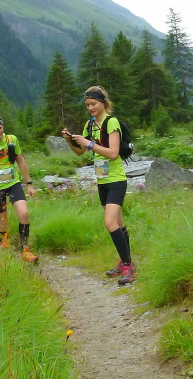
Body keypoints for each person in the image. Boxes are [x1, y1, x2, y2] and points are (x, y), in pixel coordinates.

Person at [62, 86, 135, 285]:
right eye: (87, 105)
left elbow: (113, 153)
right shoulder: (90, 124)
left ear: (103, 102)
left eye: (93, 104)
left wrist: (89, 143)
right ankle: (125, 262)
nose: (90, 108)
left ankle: (128, 267)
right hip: (102, 181)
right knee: (118, 224)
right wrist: (70, 141)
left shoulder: (111, 123)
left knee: (109, 223)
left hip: (116, 180)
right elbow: (80, 152)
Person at [0, 114, 38, 263]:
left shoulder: (12, 140)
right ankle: (4, 244)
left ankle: (25, 249)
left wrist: (29, 183)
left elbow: (21, 161)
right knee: (2, 221)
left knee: (24, 213)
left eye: (0, 128)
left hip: (13, 184)